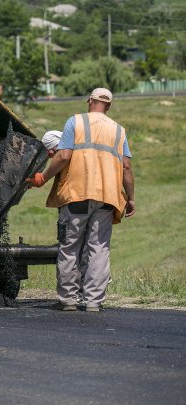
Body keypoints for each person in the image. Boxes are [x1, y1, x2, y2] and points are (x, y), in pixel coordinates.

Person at [27, 88, 135, 313]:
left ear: (90, 101)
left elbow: (64, 156)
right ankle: (93, 301)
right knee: (99, 248)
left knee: (70, 246)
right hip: (107, 197)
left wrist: (43, 178)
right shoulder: (119, 131)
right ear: (109, 106)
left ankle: (69, 300)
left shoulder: (74, 122)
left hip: (77, 194)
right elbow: (126, 167)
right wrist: (131, 199)